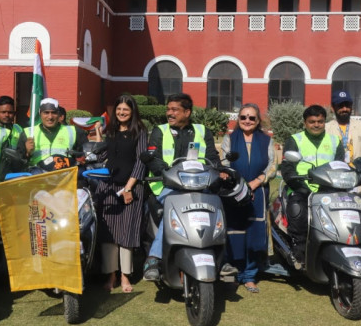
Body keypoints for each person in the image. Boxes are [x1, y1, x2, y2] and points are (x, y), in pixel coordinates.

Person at [142, 93, 220, 281]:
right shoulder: (160, 131)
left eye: (175, 110)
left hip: (199, 187)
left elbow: (213, 158)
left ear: (187, 112)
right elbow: (153, 158)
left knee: (216, 208)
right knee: (174, 210)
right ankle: (154, 258)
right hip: (167, 187)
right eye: (168, 109)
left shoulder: (202, 131)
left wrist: (220, 170)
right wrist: (167, 174)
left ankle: (222, 257)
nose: (169, 113)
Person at [220, 103, 276, 292]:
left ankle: (250, 275)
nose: (247, 120)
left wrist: (256, 182)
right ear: (238, 119)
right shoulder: (229, 139)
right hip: (234, 191)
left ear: (258, 120)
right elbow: (225, 163)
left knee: (254, 233)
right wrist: (237, 183)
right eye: (243, 117)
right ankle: (234, 275)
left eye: (252, 117)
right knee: (235, 232)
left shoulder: (266, 140)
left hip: (257, 192)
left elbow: (272, 165)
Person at [94, 95, 148, 293]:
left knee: (127, 234)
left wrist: (128, 188)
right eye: (118, 109)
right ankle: (111, 275)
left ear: (132, 111)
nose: (121, 113)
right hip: (108, 187)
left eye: (125, 109)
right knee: (108, 234)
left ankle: (125, 276)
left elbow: (141, 162)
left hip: (130, 188)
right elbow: (102, 156)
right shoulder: (111, 130)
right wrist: (98, 134)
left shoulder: (140, 131)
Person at [280, 105, 344, 265]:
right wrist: (301, 186)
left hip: (328, 189)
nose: (316, 125)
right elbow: (287, 169)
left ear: (324, 122)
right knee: (298, 210)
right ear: (305, 123)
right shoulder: (295, 140)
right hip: (300, 187)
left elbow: (340, 166)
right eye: (312, 122)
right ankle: (299, 249)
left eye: (320, 121)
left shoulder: (335, 141)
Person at [25, 98, 86, 166]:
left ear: (59, 114)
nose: (50, 117)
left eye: (54, 113)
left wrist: (81, 159)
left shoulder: (74, 131)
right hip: (37, 172)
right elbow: (18, 163)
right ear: (40, 114)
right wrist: (27, 153)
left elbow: (86, 157)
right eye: (46, 113)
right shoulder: (27, 133)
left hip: (66, 172)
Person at [325, 90, 361, 163]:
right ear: (333, 108)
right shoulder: (326, 128)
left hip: (357, 169)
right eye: (341, 106)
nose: (345, 109)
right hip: (336, 169)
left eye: (347, 105)